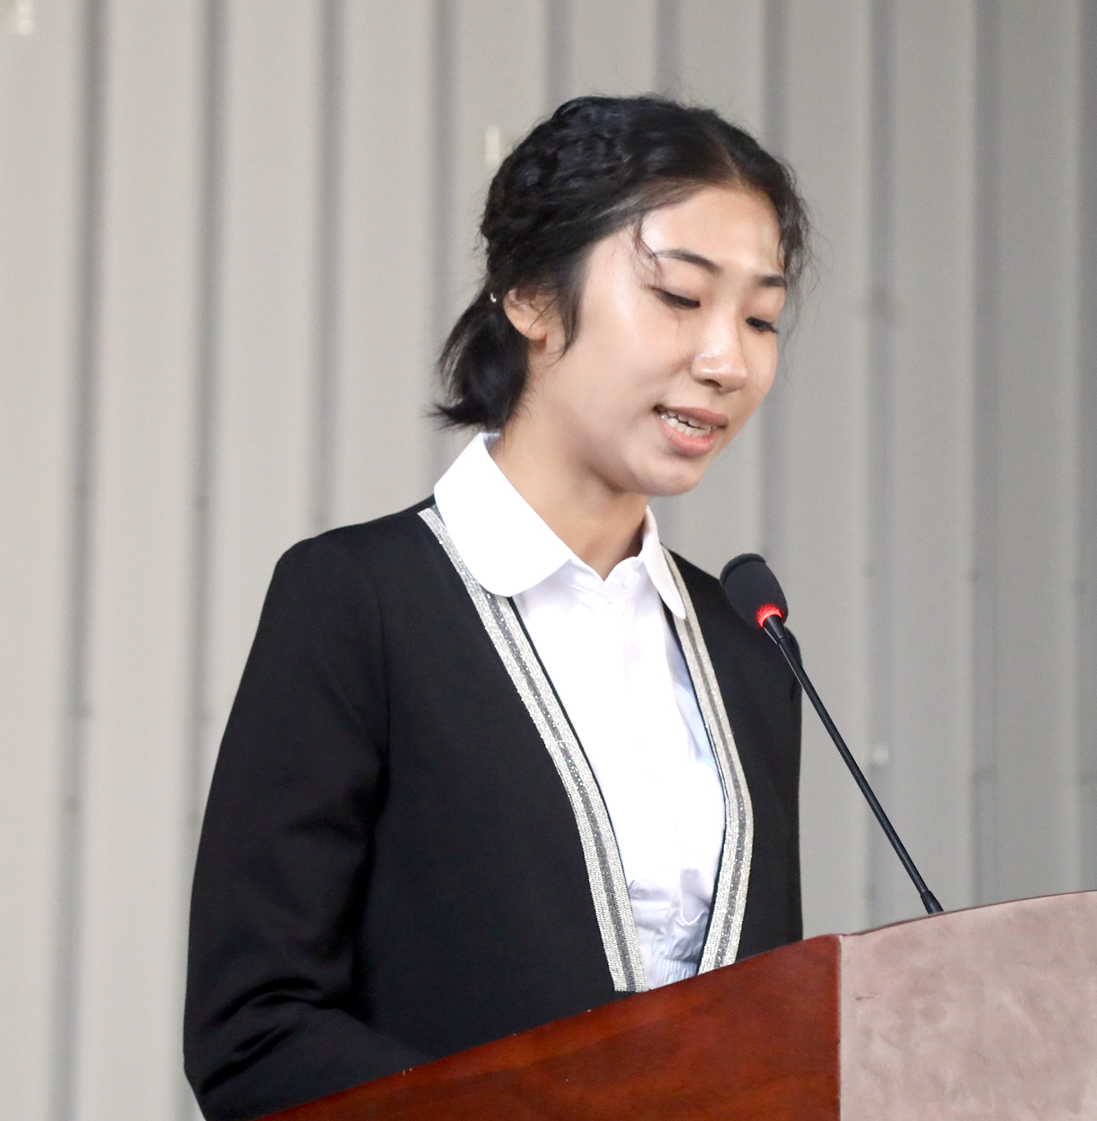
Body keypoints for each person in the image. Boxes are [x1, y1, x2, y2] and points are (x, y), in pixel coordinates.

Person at [184, 95, 812, 1121]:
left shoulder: (746, 650)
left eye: (760, 319)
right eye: (678, 296)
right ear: (530, 294)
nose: (726, 361)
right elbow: (254, 1031)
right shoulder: (359, 601)